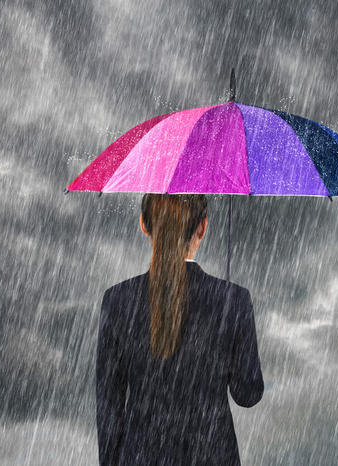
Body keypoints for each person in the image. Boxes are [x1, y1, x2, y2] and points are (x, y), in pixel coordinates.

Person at [96, 194, 264, 466]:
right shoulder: (233, 300)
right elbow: (247, 394)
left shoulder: (117, 301)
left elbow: (109, 409)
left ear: (144, 225)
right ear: (202, 227)